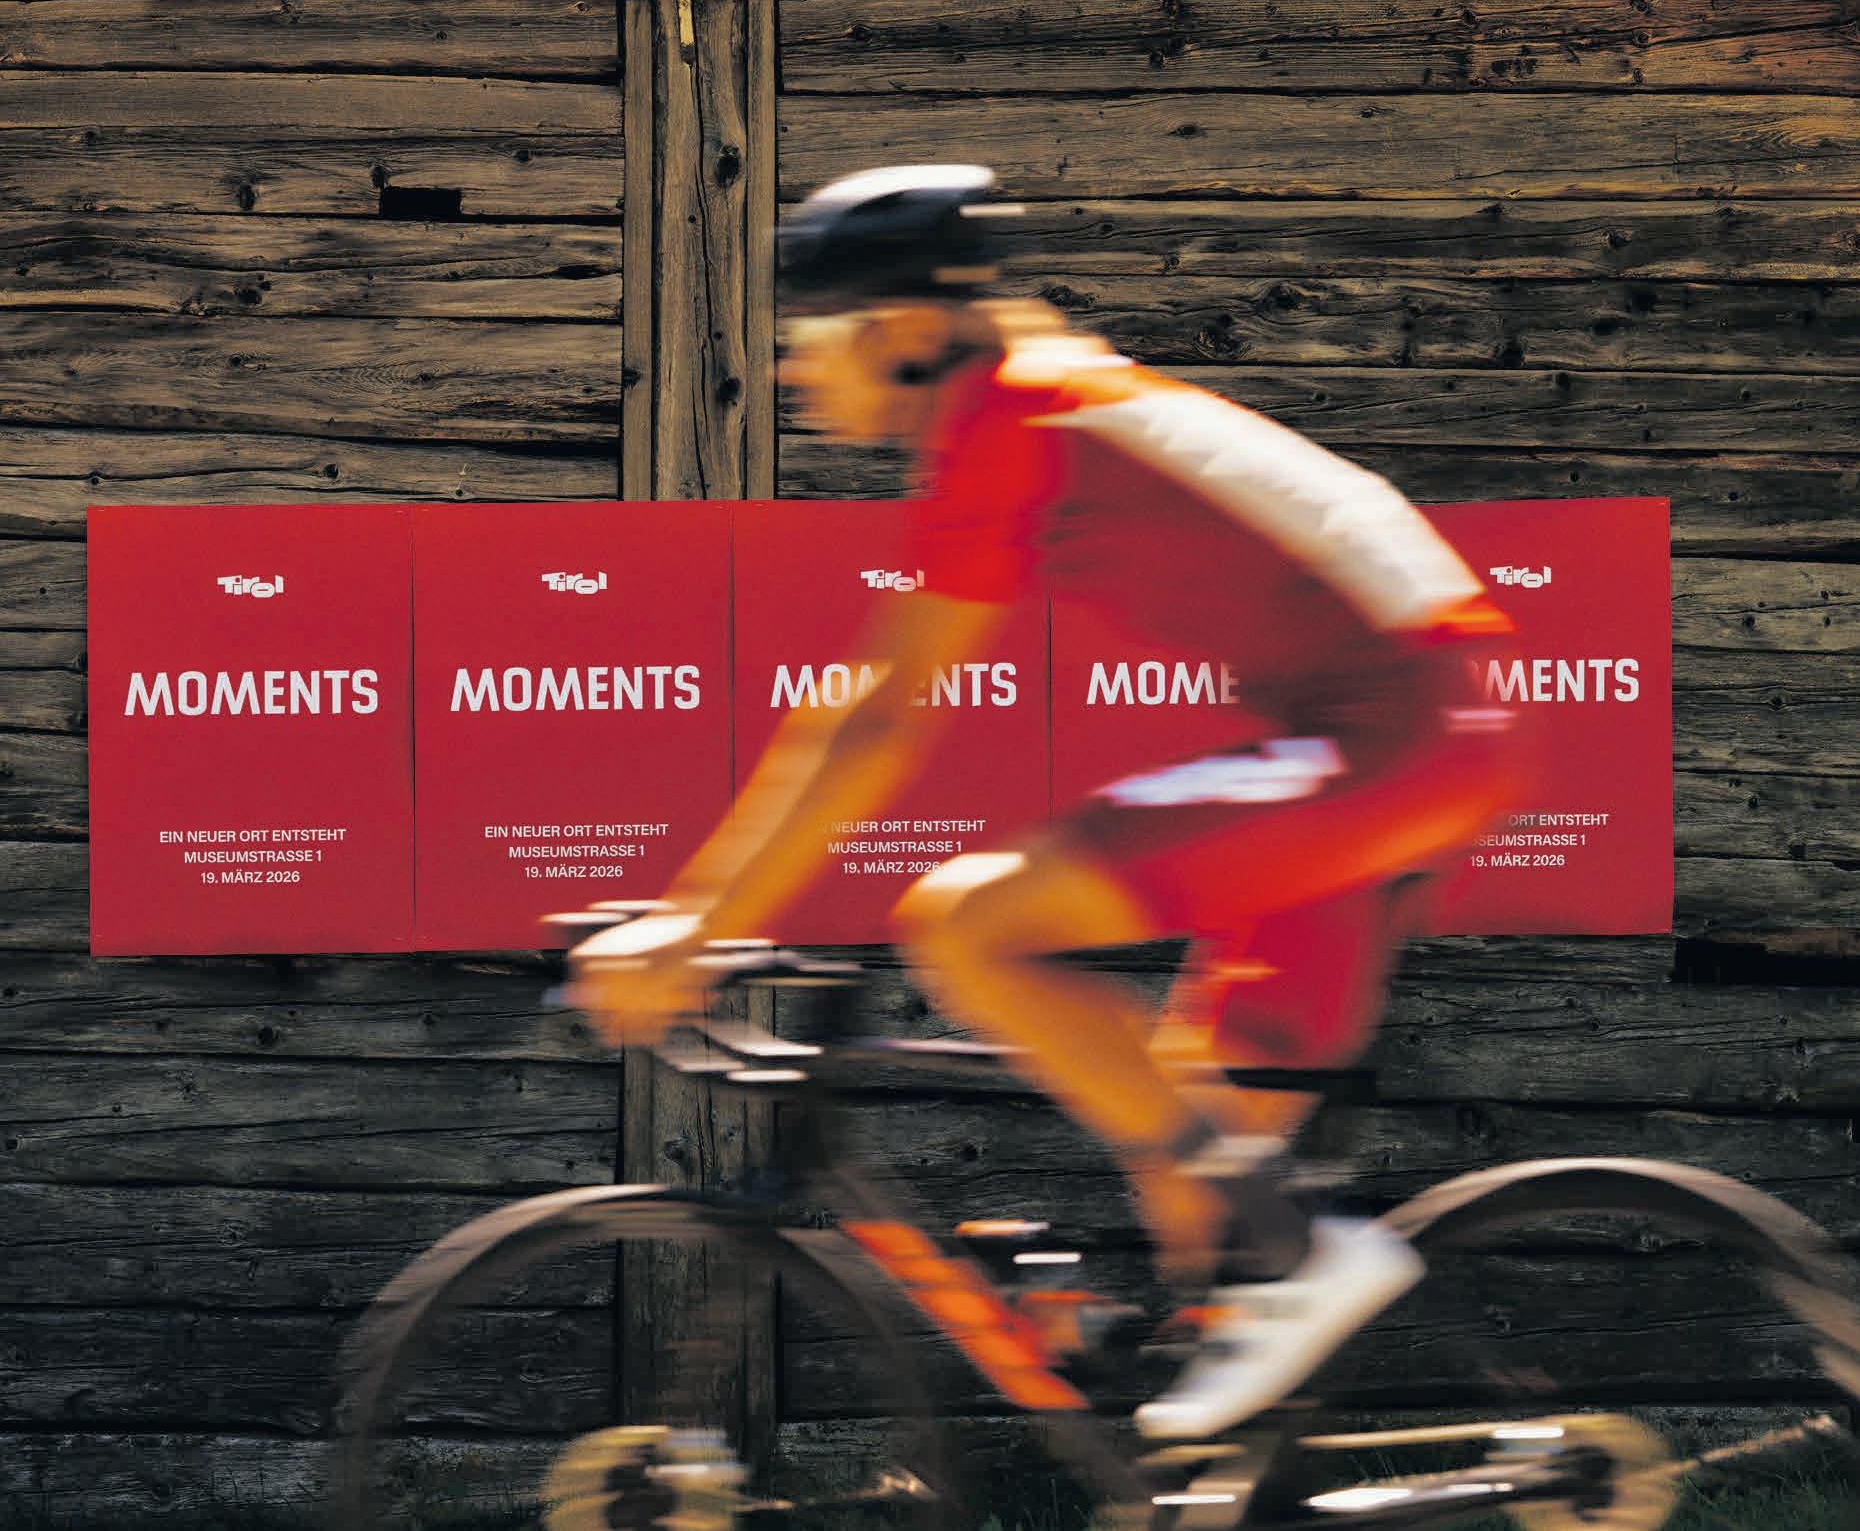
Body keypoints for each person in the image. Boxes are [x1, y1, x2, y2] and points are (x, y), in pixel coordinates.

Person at [569, 165, 1533, 1437]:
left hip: (1398, 733)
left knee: (967, 920)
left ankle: (1302, 1263)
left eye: (812, 334)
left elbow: (880, 714)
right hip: (1402, 728)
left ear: (906, 328)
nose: (795, 369)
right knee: (1199, 1173)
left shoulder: (1014, 411)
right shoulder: (1040, 395)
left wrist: (701, 923)